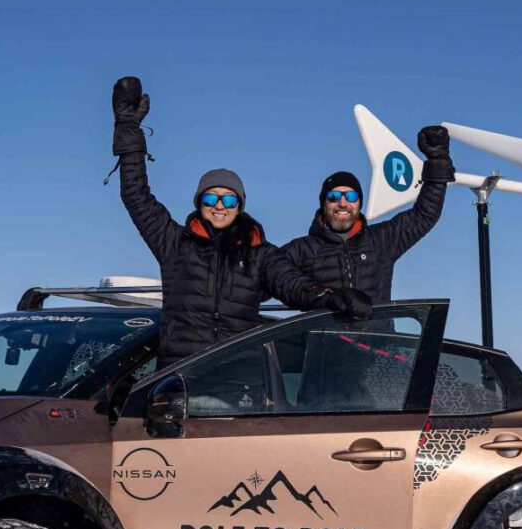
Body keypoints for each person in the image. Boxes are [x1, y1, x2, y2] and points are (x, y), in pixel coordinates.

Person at [111, 76, 368, 368]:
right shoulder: (174, 243)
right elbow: (136, 196)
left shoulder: (260, 253)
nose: (219, 207)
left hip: (236, 377)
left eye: (229, 200)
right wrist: (128, 132)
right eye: (211, 199)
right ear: (199, 203)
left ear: (240, 206)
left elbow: (294, 285)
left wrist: (333, 297)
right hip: (179, 375)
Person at [280, 126, 454, 306]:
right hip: (325, 334)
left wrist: (438, 161)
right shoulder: (303, 249)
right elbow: (267, 276)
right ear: (323, 204)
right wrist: (321, 296)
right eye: (333, 197)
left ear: (359, 204)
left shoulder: (380, 240)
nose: (343, 203)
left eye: (351, 197)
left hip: (376, 334)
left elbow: (424, 214)